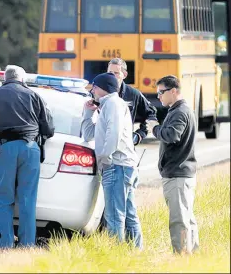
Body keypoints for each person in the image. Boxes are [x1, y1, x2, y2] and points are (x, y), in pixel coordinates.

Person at [0, 65, 55, 249]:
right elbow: (49, 129)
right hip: (30, 149)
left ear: (5, 78)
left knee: (4, 198)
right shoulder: (34, 96)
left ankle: (5, 245)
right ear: (22, 79)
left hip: (5, 148)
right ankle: (27, 245)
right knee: (28, 199)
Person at [81, 72, 143, 249]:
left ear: (101, 88)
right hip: (122, 166)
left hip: (117, 166)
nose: (92, 91)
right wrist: (87, 113)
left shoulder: (113, 104)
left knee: (115, 216)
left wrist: (104, 159)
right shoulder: (106, 106)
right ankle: (136, 254)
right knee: (128, 215)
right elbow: (88, 134)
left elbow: (113, 136)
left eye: (93, 87)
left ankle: (117, 257)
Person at [146, 75, 199, 254]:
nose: (159, 96)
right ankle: (194, 255)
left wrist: (154, 128)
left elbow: (172, 135)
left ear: (174, 91)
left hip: (178, 175)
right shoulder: (178, 109)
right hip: (182, 173)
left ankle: (182, 257)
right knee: (187, 217)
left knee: (179, 219)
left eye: (161, 92)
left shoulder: (179, 112)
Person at [107, 57, 158, 145]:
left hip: (125, 147)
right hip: (104, 145)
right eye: (110, 73)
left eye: (116, 73)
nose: (112, 76)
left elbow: (150, 114)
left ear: (125, 75)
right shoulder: (99, 92)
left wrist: (139, 135)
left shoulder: (133, 94)